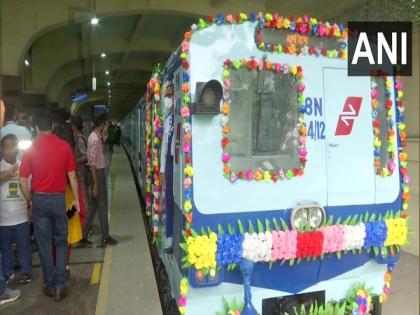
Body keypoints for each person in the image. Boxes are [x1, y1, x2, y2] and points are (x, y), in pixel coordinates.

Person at [18, 112, 80, 301]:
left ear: (36, 128)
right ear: (52, 127)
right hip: (58, 199)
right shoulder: (64, 147)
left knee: (44, 245)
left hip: (39, 201)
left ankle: (50, 285)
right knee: (61, 242)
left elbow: (22, 181)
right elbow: (73, 177)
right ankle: (61, 285)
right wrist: (76, 199)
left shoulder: (31, 149)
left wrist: (30, 200)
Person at [80, 112, 118, 246]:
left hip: (97, 173)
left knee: (94, 206)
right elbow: (92, 163)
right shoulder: (94, 139)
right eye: (106, 123)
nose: (107, 125)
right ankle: (105, 236)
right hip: (97, 174)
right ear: (102, 123)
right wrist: (95, 184)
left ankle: (83, 235)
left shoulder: (96, 136)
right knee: (102, 205)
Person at [0, 134, 32, 284]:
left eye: (12, 146)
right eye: (5, 147)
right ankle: (7, 272)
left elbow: (29, 187)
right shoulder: (0, 167)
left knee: (24, 247)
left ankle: (26, 271)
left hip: (21, 218)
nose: (9, 150)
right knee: (5, 250)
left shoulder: (24, 166)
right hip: (3, 221)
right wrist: (8, 173)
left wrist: (30, 206)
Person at [160, 83, 175, 252]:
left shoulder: (183, 118)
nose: (167, 99)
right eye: (166, 96)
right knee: (170, 200)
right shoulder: (168, 120)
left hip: (182, 164)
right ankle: (171, 238)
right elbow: (165, 146)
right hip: (171, 164)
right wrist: (163, 170)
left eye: (170, 95)